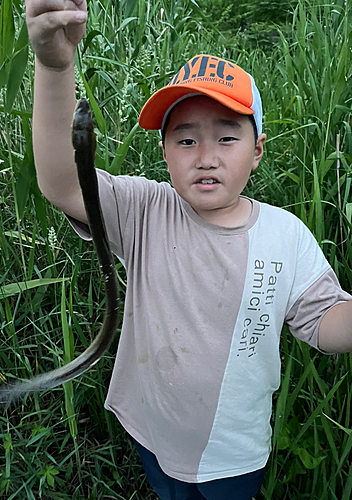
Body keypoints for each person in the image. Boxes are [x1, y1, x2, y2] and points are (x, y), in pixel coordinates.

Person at [25, 1, 352, 499]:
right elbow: (62, 183)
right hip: (151, 433)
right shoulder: (144, 209)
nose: (205, 156)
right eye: (184, 139)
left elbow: (324, 320)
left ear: (258, 149)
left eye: (226, 137)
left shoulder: (286, 235)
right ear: (163, 153)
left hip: (234, 453)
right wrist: (54, 68)